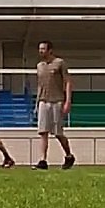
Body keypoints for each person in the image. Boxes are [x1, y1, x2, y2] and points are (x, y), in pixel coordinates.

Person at [33, 40, 75, 170]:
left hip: (57, 100)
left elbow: (68, 82)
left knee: (58, 133)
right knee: (43, 132)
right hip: (43, 101)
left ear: (50, 50)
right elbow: (40, 85)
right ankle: (43, 160)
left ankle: (68, 155)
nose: (41, 51)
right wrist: (37, 102)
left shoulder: (59, 63)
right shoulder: (39, 65)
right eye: (39, 49)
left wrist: (68, 101)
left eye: (43, 49)